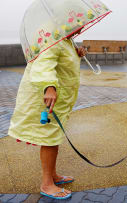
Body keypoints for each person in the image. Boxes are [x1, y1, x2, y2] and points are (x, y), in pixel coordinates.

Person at [8, 29, 86, 200]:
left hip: (59, 100)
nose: (80, 27)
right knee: (49, 139)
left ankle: (53, 176)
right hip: (48, 100)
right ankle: (46, 184)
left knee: (53, 137)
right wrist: (49, 86)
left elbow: (61, 61)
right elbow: (43, 64)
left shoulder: (67, 40)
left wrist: (76, 53)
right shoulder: (54, 38)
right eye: (78, 24)